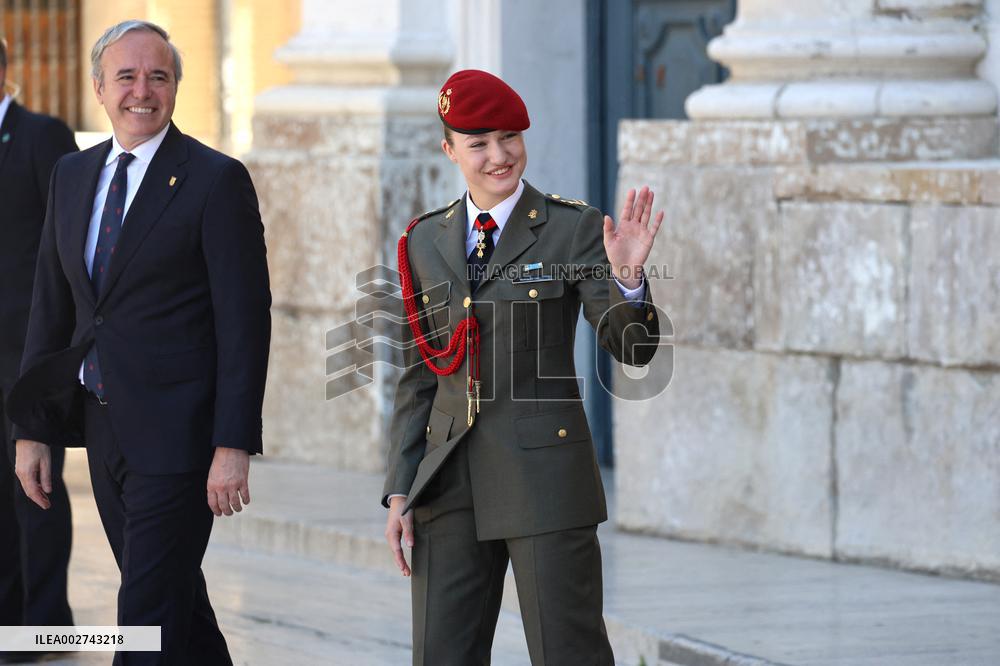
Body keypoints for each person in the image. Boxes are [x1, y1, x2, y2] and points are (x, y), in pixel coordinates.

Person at [6, 20, 270, 665]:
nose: (142, 91)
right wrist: (32, 430)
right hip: (103, 428)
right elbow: (52, 307)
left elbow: (245, 321)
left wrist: (232, 444)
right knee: (176, 602)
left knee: (143, 617)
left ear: (175, 85)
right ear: (99, 87)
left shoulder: (214, 179)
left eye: (159, 75)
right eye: (126, 76)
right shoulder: (72, 175)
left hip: (180, 438)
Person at [382, 69, 663, 665]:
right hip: (447, 482)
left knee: (569, 653)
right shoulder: (423, 240)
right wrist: (400, 489)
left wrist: (628, 280)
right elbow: (418, 376)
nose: (498, 155)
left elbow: (632, 349)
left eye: (509, 137)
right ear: (450, 149)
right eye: (478, 143)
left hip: (544, 477)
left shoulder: (574, 229)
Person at [0, 35, 78, 657]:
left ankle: (44, 624)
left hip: (28, 354)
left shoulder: (41, 135)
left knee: (36, 487)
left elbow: (64, 246)